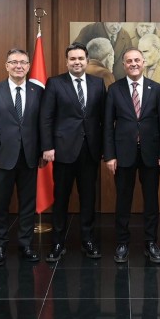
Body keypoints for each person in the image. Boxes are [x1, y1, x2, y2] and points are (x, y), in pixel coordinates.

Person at [103, 48, 160, 264]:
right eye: (129, 61)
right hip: (123, 154)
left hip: (151, 153)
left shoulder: (156, 89)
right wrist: (109, 156)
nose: (133, 64)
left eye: (137, 60)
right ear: (124, 65)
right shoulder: (114, 89)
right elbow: (108, 125)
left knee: (151, 200)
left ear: (143, 62)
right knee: (123, 200)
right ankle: (122, 242)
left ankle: (151, 242)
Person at [41, 43, 106, 262]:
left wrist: (105, 149)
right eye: (72, 59)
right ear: (66, 61)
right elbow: (46, 117)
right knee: (61, 198)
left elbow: (104, 119)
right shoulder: (55, 83)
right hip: (63, 150)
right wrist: (47, 146)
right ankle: (58, 242)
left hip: (90, 150)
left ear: (87, 60)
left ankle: (88, 240)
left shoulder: (98, 83)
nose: (77, 62)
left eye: (80, 58)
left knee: (88, 198)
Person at [0, 49, 43, 265]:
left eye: (23, 62)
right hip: (1, 156)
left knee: (28, 204)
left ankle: (25, 244)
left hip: (29, 155)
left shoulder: (38, 91)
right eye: (14, 62)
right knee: (0, 204)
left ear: (28, 66)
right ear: (6, 65)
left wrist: (43, 151)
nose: (19, 66)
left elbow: (42, 124)